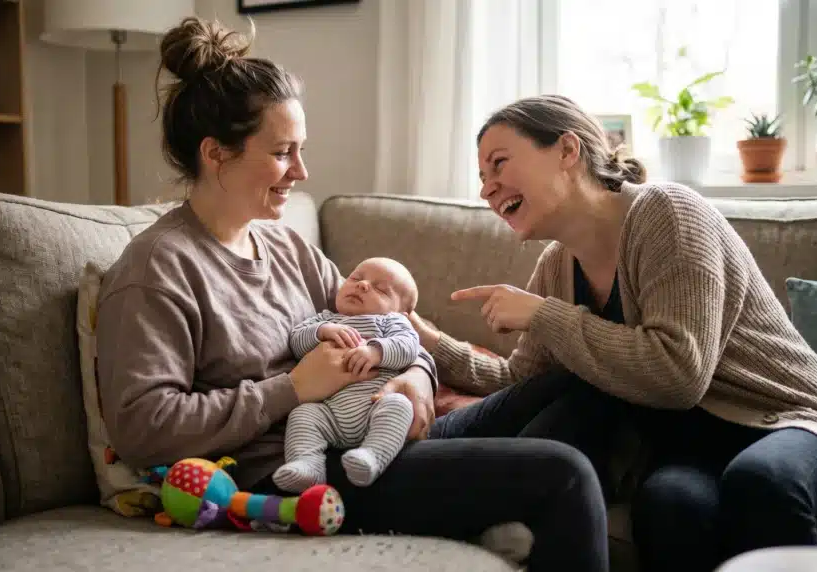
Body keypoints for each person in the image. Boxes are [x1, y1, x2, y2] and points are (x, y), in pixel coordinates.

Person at [94, 17, 609, 572]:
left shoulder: (288, 248)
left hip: (375, 428)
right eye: (283, 152)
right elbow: (143, 428)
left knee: (574, 387)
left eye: (301, 150)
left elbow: (387, 329)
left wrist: (416, 379)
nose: (301, 170)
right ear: (216, 154)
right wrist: (291, 388)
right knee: (563, 474)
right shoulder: (157, 269)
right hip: (297, 472)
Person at [406, 93, 817, 572]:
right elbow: (521, 382)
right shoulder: (556, 268)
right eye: (482, 177)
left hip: (795, 422)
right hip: (696, 451)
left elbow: (681, 374)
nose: (488, 188)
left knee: (761, 481)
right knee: (667, 503)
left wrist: (543, 314)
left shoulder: (669, 213)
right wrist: (426, 339)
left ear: (567, 151)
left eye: (499, 163)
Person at [275, 257, 421, 492]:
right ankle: (308, 466)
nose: (362, 285)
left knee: (399, 406)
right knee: (303, 415)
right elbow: (296, 341)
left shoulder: (390, 322)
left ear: (401, 313)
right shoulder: (326, 319)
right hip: (329, 414)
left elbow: (409, 346)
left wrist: (376, 351)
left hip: (376, 407)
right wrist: (322, 331)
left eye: (381, 289)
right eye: (356, 278)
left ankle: (373, 456)